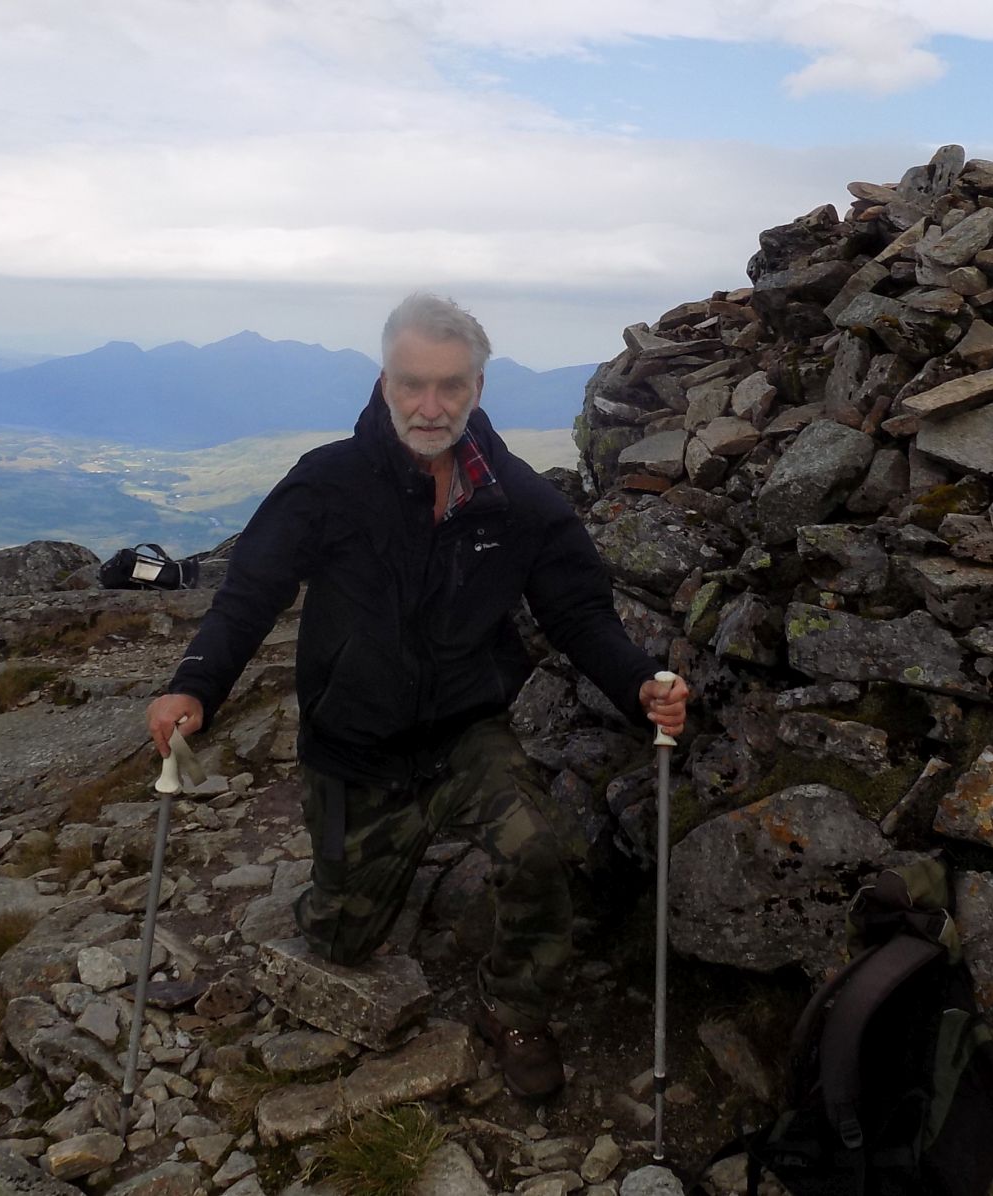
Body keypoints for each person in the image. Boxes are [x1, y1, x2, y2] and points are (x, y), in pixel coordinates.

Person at [146, 292, 688, 1099]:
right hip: (353, 746)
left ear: (477, 387)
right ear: (385, 380)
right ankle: (369, 884)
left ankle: (515, 1010)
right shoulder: (327, 483)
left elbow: (578, 614)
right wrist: (195, 684)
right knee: (343, 941)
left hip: (464, 734)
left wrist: (640, 683)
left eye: (451, 387)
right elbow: (250, 593)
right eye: (412, 384)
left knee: (537, 851)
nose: (430, 407)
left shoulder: (518, 502)